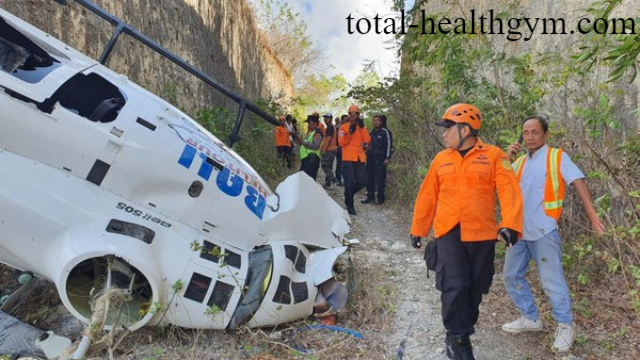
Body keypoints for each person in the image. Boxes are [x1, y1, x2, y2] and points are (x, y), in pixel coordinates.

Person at [410, 103, 523, 360]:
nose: (444, 133)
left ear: (465, 130)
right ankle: (458, 338)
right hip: (448, 232)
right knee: (454, 285)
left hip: (482, 233)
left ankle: (461, 329)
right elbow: (428, 195)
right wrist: (419, 228)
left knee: (475, 287)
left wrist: (510, 224)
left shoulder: (494, 156)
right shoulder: (441, 159)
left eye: (448, 128)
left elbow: (509, 191)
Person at [501, 115, 605, 353]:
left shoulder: (556, 156)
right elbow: (501, 186)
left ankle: (566, 325)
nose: (530, 137)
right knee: (511, 275)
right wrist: (507, 158)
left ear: (545, 134)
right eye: (526, 133)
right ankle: (530, 318)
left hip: (544, 230)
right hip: (519, 232)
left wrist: (592, 215)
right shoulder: (517, 163)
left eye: (535, 132)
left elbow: (577, 181)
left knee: (552, 281)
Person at [338, 105, 371, 215]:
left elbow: (367, 140)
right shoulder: (343, 127)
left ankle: (349, 194)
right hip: (347, 158)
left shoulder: (361, 127)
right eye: (351, 114)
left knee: (362, 181)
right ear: (348, 115)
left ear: (358, 115)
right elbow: (341, 143)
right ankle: (350, 205)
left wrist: (362, 128)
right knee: (349, 183)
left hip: (359, 158)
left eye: (355, 114)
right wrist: (350, 133)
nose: (353, 116)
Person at [362, 114, 392, 205]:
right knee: (368, 178)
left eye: (377, 120)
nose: (375, 122)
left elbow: (388, 146)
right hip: (370, 158)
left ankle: (380, 198)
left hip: (380, 159)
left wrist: (387, 158)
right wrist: (365, 147)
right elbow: (366, 143)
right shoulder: (370, 132)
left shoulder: (385, 132)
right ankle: (370, 196)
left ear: (381, 122)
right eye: (374, 120)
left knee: (380, 179)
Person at [296, 115, 323, 180]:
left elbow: (315, 146)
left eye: (310, 123)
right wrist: (300, 142)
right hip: (307, 159)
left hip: (311, 159)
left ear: (315, 123)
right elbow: (306, 144)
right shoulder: (311, 132)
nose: (308, 125)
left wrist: (302, 142)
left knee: (309, 180)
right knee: (304, 179)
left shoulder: (317, 133)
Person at [320, 113, 338, 188]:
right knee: (329, 166)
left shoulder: (330, 127)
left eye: (327, 118)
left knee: (324, 165)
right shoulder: (331, 126)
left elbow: (329, 138)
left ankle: (333, 179)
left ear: (330, 119)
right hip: (332, 149)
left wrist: (324, 149)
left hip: (329, 150)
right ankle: (328, 183)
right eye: (324, 118)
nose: (325, 119)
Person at [334, 115, 348, 186]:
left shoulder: (349, 128)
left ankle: (345, 180)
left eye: (347, 120)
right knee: (339, 165)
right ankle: (338, 180)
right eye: (345, 120)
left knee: (346, 165)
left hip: (347, 150)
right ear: (342, 121)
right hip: (340, 149)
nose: (346, 121)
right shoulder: (340, 129)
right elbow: (338, 139)